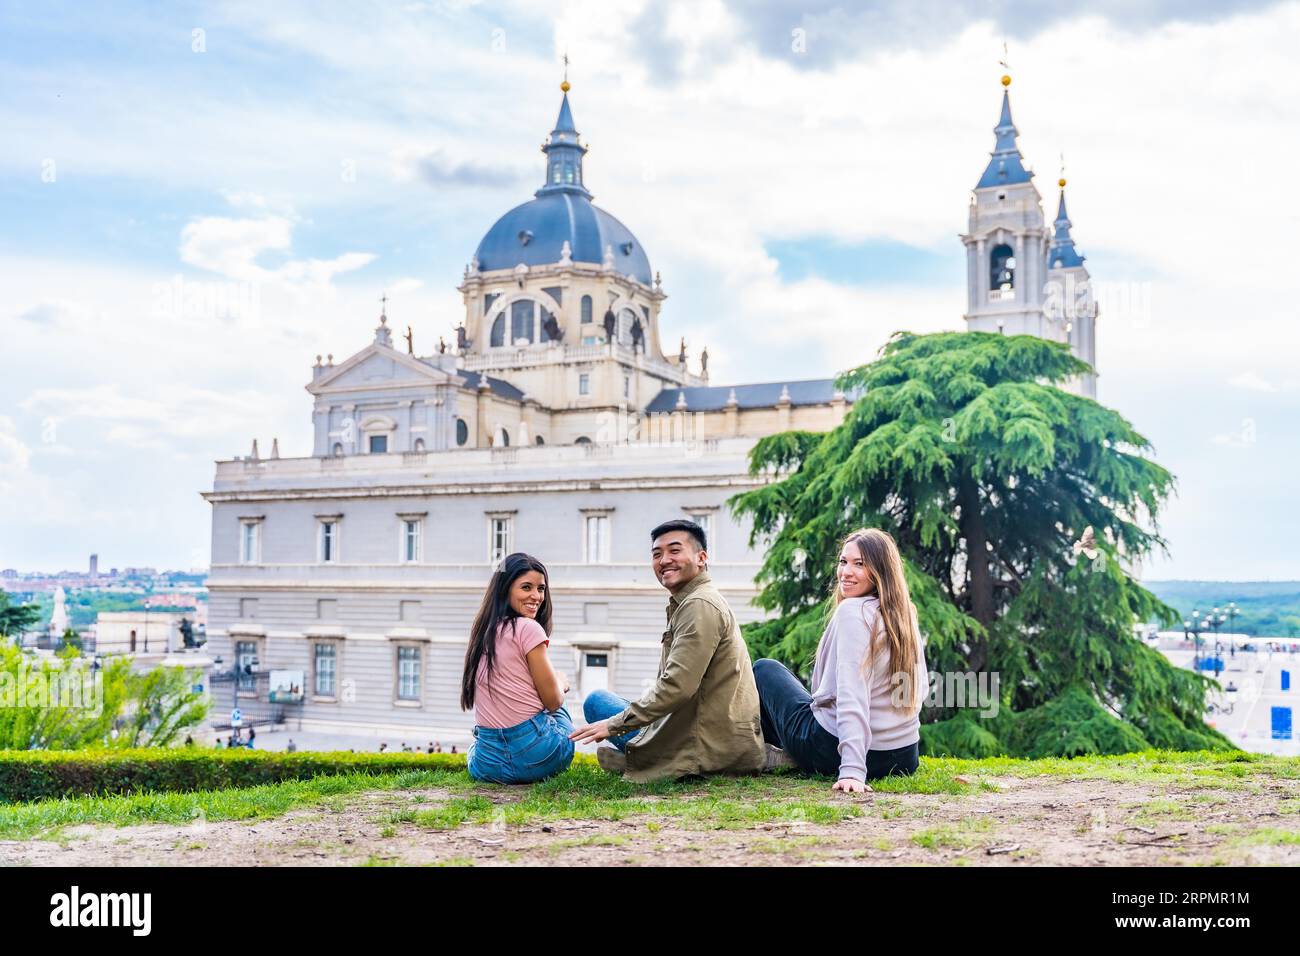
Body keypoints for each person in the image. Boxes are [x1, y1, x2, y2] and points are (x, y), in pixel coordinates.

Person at [571, 519, 764, 782]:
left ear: (701, 558)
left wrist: (613, 725)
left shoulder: (699, 605)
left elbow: (676, 687)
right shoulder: (688, 601)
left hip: (707, 745)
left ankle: (648, 760)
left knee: (598, 704)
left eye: (675, 551)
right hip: (704, 730)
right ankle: (641, 755)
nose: (664, 560)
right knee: (603, 703)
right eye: (657, 554)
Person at [754, 528, 927, 791]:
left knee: (765, 669)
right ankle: (787, 754)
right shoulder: (904, 615)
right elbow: (917, 688)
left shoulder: (853, 612)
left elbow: (852, 694)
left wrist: (853, 770)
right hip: (903, 756)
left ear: (880, 570)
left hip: (838, 752)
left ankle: (762, 753)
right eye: (843, 562)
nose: (846, 572)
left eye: (860, 564)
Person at [463, 552, 574, 784]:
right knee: (558, 707)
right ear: (505, 590)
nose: (536, 596)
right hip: (539, 756)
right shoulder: (529, 629)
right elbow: (553, 701)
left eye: (541, 589)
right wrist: (560, 683)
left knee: (478, 744)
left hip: (487, 766)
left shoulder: (484, 633)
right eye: (526, 587)